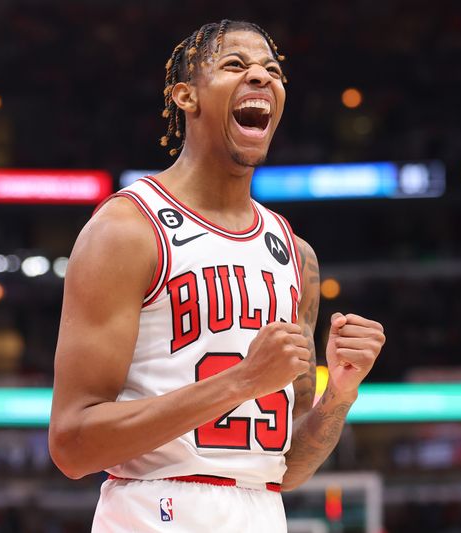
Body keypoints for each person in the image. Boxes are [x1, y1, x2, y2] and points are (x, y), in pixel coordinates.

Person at [48, 19, 385, 532]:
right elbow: (72, 444)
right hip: (153, 510)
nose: (261, 77)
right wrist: (244, 380)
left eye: (272, 70)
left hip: (262, 511)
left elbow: (286, 468)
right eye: (235, 65)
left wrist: (339, 392)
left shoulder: (297, 256)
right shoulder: (127, 229)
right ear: (186, 95)